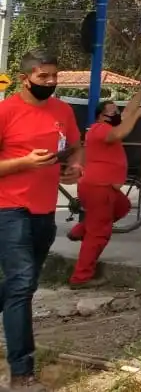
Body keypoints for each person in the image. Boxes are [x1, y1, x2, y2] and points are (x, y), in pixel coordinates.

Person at [0, 48, 83, 390]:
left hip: (44, 210)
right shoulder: (5, 112)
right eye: (42, 77)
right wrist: (23, 163)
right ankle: (22, 372)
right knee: (21, 284)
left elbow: (76, 146)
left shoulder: (62, 111)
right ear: (24, 78)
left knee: (24, 285)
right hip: (8, 209)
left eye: (54, 76)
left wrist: (75, 166)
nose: (50, 82)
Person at [67, 87, 141, 288]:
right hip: (99, 188)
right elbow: (123, 128)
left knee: (122, 207)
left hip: (103, 188)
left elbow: (126, 112)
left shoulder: (104, 128)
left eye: (115, 111)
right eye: (111, 112)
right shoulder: (102, 130)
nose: (116, 114)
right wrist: (138, 114)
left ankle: (80, 230)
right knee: (99, 234)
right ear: (101, 116)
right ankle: (81, 277)